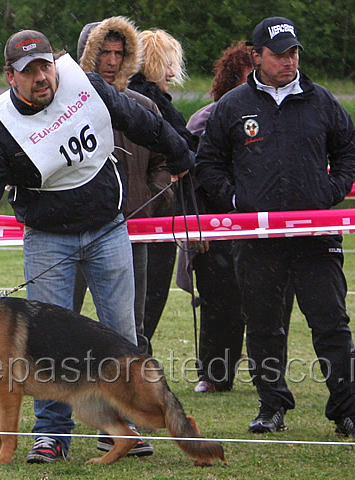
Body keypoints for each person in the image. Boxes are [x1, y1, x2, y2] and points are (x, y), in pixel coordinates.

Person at [0, 30, 193, 464]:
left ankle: (120, 429)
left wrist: (180, 152)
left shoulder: (87, 86)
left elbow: (142, 122)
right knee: (43, 345)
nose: (42, 77)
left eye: (46, 66)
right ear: (10, 77)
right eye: (29, 71)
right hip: (47, 238)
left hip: (107, 228)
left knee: (122, 334)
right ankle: (52, 435)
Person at [195, 16, 355, 439]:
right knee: (262, 324)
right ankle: (271, 406)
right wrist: (237, 202)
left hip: (316, 236)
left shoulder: (321, 101)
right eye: (279, 54)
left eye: (294, 52)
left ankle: (348, 412)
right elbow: (208, 162)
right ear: (256, 57)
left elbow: (350, 151)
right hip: (258, 239)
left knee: (331, 322)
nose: (289, 61)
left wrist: (328, 192)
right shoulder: (234, 106)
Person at [75, 17, 173, 356]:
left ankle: (139, 402)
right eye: (104, 52)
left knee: (131, 329)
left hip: (130, 233)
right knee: (59, 325)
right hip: (71, 232)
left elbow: (163, 164)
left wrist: (147, 200)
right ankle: (57, 404)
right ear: (87, 55)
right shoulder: (62, 110)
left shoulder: (143, 107)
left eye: (120, 52)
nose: (112, 61)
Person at [176, 40, 252, 393]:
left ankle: (271, 373)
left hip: (260, 223)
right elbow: (191, 179)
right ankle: (214, 374)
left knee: (269, 302)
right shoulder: (205, 120)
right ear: (232, 79)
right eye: (250, 76)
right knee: (216, 301)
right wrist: (198, 225)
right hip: (214, 224)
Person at [127, 29, 195, 354]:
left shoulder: (133, 99)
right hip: (151, 215)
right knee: (147, 298)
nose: (172, 72)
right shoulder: (151, 104)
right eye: (169, 63)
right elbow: (179, 149)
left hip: (140, 212)